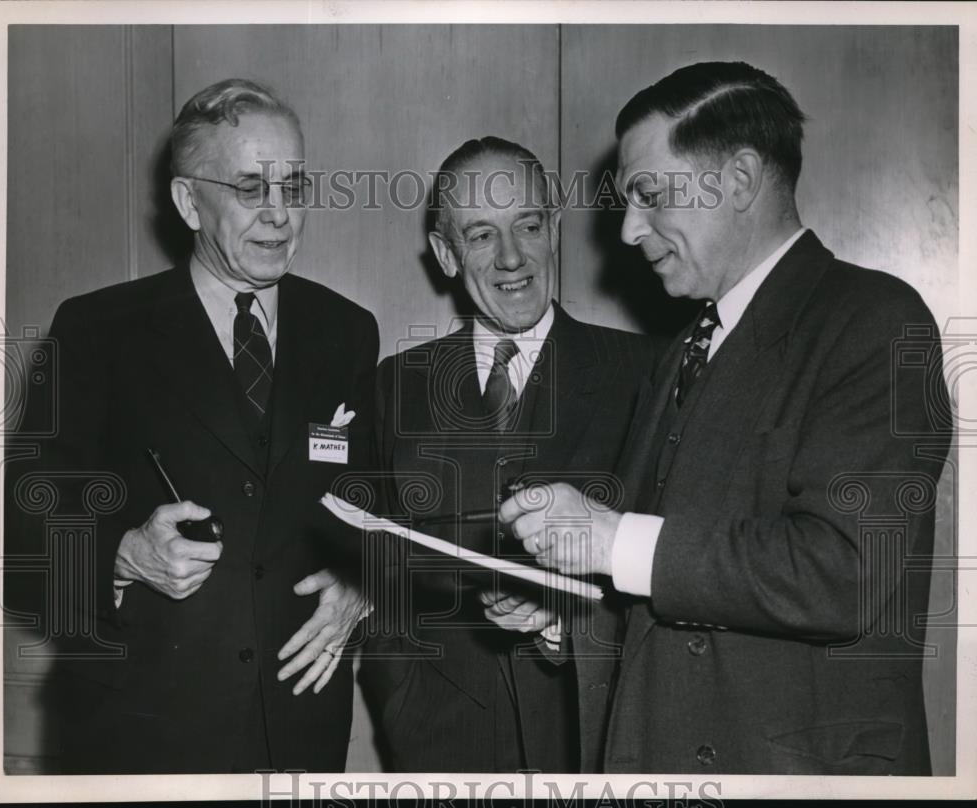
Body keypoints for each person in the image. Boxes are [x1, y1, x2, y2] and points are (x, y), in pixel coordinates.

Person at [500, 62, 949, 774]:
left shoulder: (876, 323)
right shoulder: (682, 350)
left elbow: (844, 572)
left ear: (739, 180)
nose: (627, 231)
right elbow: (677, 575)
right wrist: (572, 613)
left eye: (648, 195)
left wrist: (612, 541)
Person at [14, 78, 378, 773]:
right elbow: (24, 518)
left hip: (298, 729)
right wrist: (121, 553)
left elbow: (379, 500)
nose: (279, 216)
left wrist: (365, 583)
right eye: (250, 188)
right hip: (140, 732)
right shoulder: (96, 329)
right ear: (188, 200)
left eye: (293, 187)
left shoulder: (348, 332)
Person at [358, 137, 657, 773]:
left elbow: (673, 560)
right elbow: (379, 557)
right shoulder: (397, 383)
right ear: (445, 254)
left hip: (590, 740)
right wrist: (397, 692)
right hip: (436, 742)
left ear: (553, 231)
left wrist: (566, 613)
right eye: (481, 235)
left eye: (528, 224)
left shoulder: (643, 374)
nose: (512, 256)